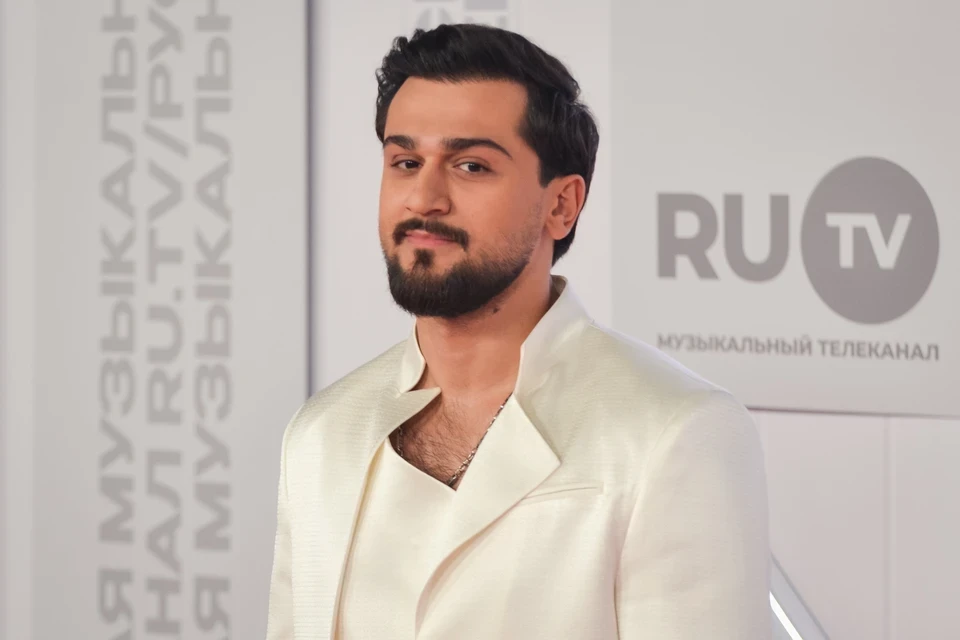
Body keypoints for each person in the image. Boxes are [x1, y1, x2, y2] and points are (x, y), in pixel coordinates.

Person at [266, 23, 769, 640]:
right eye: (406, 162)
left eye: (471, 165)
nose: (424, 197)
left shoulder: (676, 431)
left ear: (562, 205)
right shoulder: (321, 433)